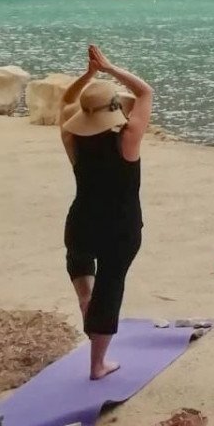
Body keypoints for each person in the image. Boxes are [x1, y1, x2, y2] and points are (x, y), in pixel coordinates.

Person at [60, 44, 153, 380]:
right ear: (113, 112)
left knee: (79, 259)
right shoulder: (127, 140)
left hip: (81, 223)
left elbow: (65, 103)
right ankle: (98, 365)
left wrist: (87, 76)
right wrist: (109, 68)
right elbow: (145, 92)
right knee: (110, 286)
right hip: (121, 230)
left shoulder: (72, 139)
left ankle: (86, 300)